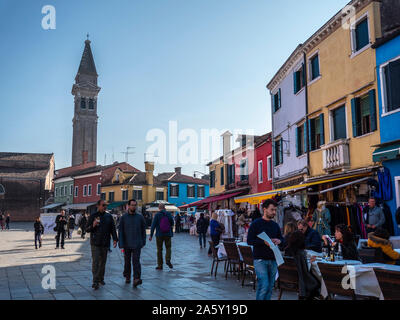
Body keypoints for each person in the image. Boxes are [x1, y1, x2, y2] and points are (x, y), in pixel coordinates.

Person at [247, 199, 283, 300]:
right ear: (265, 209)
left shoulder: (275, 225)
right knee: (264, 285)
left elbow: (282, 239)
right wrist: (263, 242)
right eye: (272, 210)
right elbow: (249, 241)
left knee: (270, 287)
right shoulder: (256, 224)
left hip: (273, 259)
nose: (274, 212)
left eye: (275, 210)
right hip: (260, 259)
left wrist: (279, 241)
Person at [86, 200, 118, 290]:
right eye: (103, 205)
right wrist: (93, 225)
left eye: (106, 205)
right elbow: (87, 229)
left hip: (105, 243)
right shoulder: (93, 216)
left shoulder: (109, 216)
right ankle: (95, 281)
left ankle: (101, 278)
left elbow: (113, 228)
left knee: (103, 263)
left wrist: (115, 239)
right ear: (98, 206)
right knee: (96, 262)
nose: (105, 207)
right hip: (95, 243)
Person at [285, 231, 321, 300]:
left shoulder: (287, 250)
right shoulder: (300, 253)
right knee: (318, 281)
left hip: (288, 280)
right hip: (301, 281)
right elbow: (305, 270)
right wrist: (310, 261)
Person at [118, 199, 146, 287]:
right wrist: (121, 243)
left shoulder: (140, 217)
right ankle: (127, 276)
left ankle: (136, 278)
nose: (134, 206)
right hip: (126, 244)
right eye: (132, 205)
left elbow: (143, 231)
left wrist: (143, 242)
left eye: (135, 205)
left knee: (136, 261)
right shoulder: (123, 217)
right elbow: (120, 231)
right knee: (127, 262)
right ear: (128, 206)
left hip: (137, 243)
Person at [149, 203, 174, 270]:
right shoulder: (168, 214)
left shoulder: (157, 215)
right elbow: (172, 223)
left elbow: (153, 225)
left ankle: (160, 265)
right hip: (168, 234)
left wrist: (151, 235)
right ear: (164, 207)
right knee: (168, 248)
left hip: (159, 234)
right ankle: (168, 259)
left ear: (159, 208)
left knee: (159, 250)